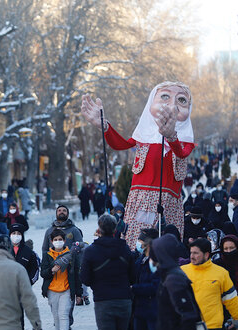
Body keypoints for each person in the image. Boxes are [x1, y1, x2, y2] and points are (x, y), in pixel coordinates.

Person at [82, 82, 195, 249]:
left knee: (163, 247)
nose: (172, 104)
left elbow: (182, 153)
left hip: (167, 203)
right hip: (139, 200)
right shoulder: (143, 135)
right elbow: (120, 144)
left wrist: (172, 137)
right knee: (134, 243)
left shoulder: (185, 139)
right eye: (165, 96)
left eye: (181, 100)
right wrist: (104, 126)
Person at [80, 214, 135, 330]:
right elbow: (133, 276)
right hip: (125, 299)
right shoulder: (125, 249)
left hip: (104, 300)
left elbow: (85, 279)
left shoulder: (91, 251)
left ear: (99, 229)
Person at [122, 228, 159, 330]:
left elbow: (155, 286)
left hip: (153, 306)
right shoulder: (140, 259)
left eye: (141, 240)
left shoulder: (157, 262)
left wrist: (134, 289)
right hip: (139, 307)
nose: (138, 242)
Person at [40, 229, 82, 330]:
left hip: (67, 289)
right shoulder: (47, 255)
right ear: (51, 241)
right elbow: (43, 273)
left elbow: (76, 274)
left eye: (60, 240)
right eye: (55, 240)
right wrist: (52, 270)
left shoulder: (70, 255)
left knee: (64, 315)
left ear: (64, 241)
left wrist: (79, 293)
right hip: (52, 290)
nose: (58, 242)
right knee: (56, 316)